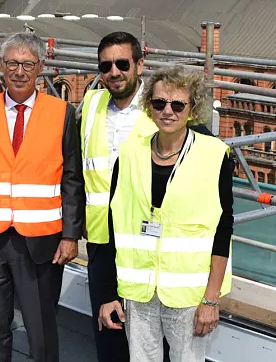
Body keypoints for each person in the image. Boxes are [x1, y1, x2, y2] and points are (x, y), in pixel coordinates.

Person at [0, 32, 85, 362]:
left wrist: (70, 235)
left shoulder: (62, 113)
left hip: (40, 244)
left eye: (27, 64)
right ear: (2, 67)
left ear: (40, 67)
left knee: (41, 334)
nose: (19, 71)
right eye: (11, 63)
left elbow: (72, 180)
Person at [97, 65, 234, 362]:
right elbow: (115, 225)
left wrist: (211, 299)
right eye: (159, 103)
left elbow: (223, 229)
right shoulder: (130, 154)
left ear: (192, 108)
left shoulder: (214, 155)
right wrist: (109, 293)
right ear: (149, 106)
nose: (167, 111)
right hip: (139, 291)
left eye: (177, 105)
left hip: (187, 296)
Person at [80, 31, 171, 362]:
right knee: (110, 336)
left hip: (147, 245)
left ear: (139, 64)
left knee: (151, 341)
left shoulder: (162, 109)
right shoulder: (91, 105)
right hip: (103, 241)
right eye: (105, 66)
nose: (113, 72)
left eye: (122, 63)